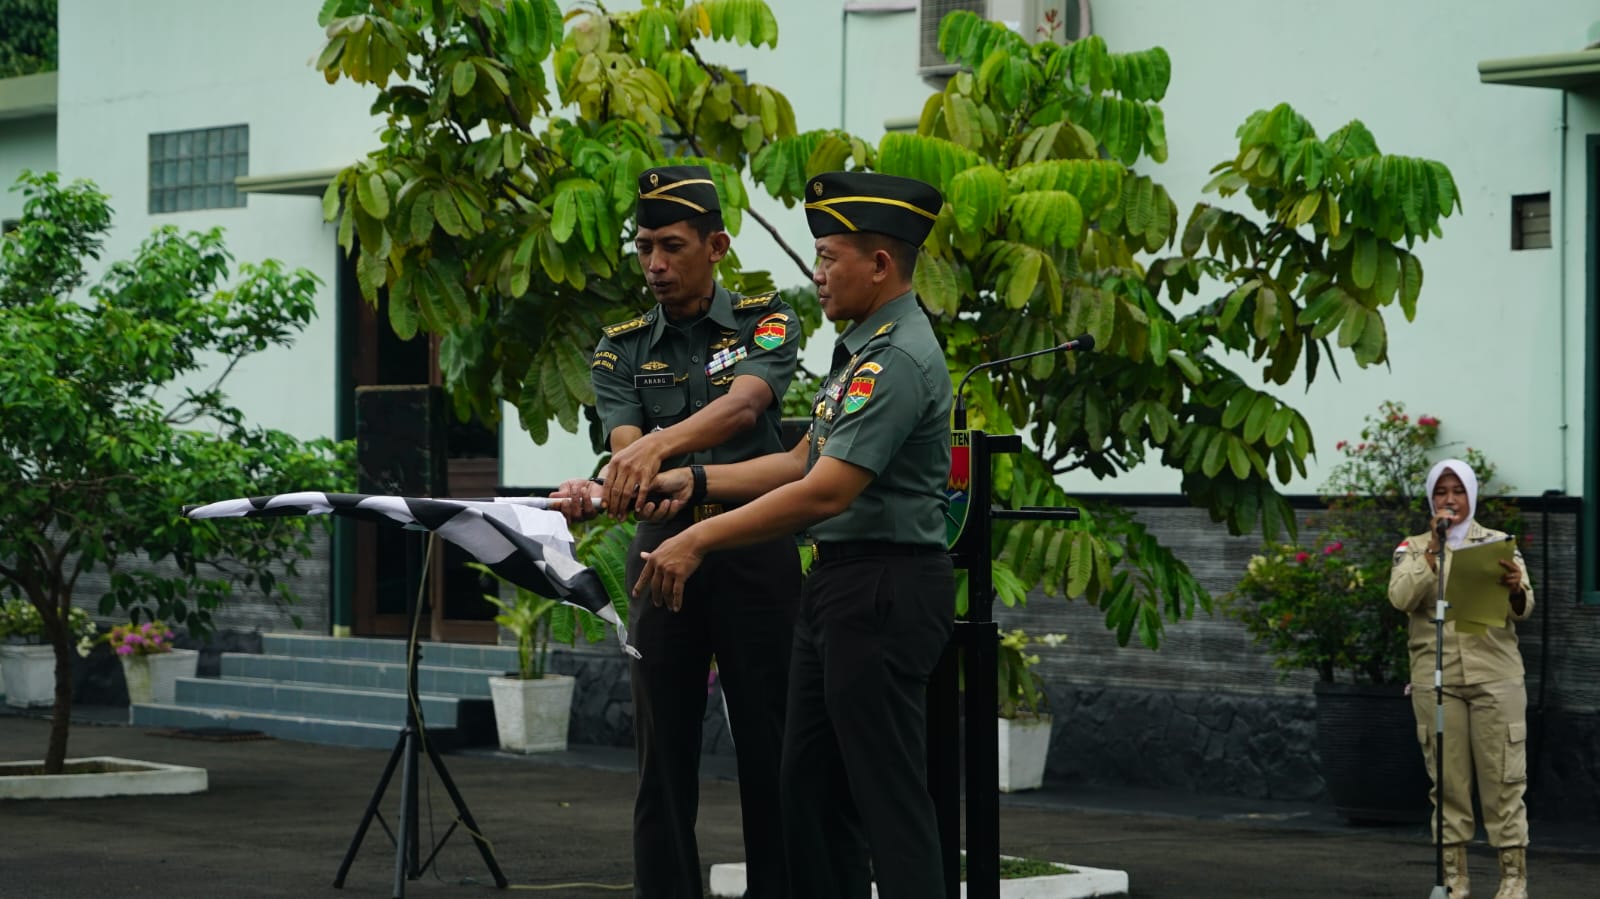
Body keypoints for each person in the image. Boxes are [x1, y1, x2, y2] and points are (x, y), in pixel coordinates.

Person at [632, 171, 954, 899]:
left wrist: (699, 539)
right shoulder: (862, 349)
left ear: (880, 264)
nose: (817, 274)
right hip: (839, 586)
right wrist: (696, 482)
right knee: (808, 789)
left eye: (829, 258)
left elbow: (825, 490)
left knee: (886, 798)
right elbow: (799, 459)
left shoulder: (896, 358)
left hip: (883, 586)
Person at [552, 164, 803, 899]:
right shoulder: (620, 345)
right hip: (660, 553)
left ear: (716, 245)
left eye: (671, 246)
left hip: (754, 547)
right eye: (644, 248)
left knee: (773, 747)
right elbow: (626, 446)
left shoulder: (766, 318)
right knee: (661, 756)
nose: (655, 264)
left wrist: (655, 453)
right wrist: (618, 483)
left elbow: (745, 406)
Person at [1389, 458, 1534, 899]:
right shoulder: (1413, 547)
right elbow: (1400, 598)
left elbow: (1524, 607)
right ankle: (1454, 879)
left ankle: (1512, 879)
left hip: (1496, 677)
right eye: (1441, 491)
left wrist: (1515, 588)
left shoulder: (1496, 543)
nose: (1450, 499)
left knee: (1504, 780)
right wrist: (1432, 554)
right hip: (1437, 681)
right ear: (1431, 498)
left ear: (1471, 495)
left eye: (1457, 491)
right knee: (1448, 783)